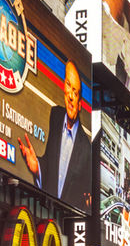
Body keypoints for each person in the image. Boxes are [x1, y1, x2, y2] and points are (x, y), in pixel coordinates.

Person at [18, 61, 91, 212]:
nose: (70, 96)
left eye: (75, 92)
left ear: (80, 104)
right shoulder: (56, 116)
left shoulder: (86, 148)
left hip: (68, 220)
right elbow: (50, 165)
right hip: (45, 208)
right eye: (68, 85)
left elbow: (86, 193)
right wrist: (37, 166)